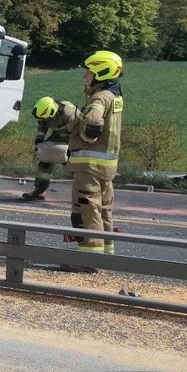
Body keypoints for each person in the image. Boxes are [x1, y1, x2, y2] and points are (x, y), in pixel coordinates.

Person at [66, 50, 123, 256]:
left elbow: (93, 122)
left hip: (89, 165)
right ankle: (107, 251)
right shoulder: (115, 96)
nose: (85, 76)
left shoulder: (99, 98)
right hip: (107, 166)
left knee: (88, 208)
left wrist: (81, 130)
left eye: (89, 73)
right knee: (105, 208)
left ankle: (89, 256)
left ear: (101, 73)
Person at [20, 96, 78, 201]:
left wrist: (72, 148)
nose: (44, 120)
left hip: (74, 137)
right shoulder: (43, 113)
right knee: (45, 159)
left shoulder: (68, 113)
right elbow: (42, 126)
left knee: (76, 165)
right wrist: (39, 139)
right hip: (58, 134)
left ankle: (82, 194)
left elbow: (80, 130)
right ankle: (39, 190)